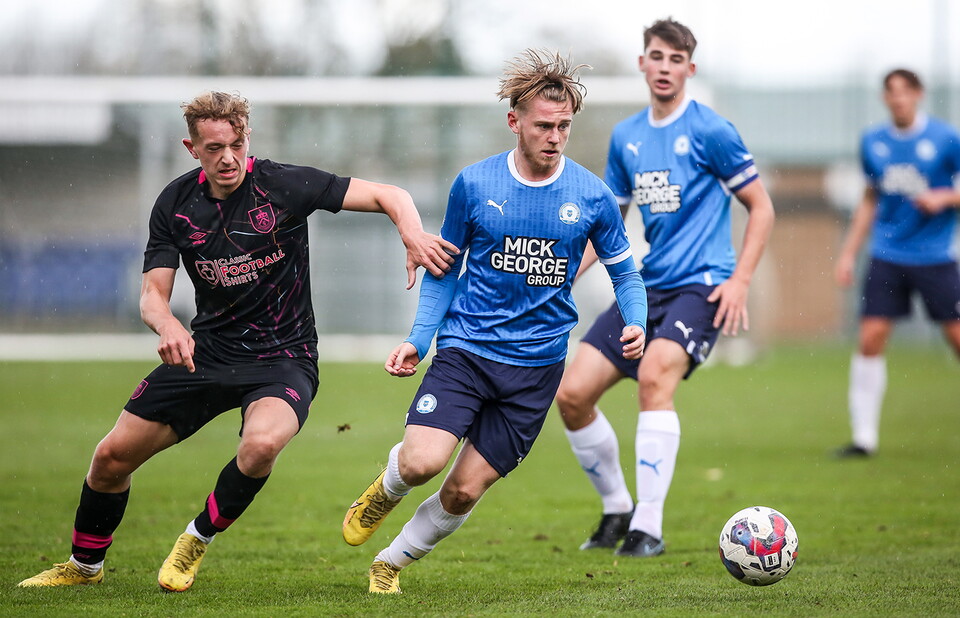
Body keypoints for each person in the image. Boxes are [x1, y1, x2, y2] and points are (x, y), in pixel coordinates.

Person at [17, 91, 457, 591]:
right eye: (213, 147)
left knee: (262, 444)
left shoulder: (284, 185)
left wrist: (413, 234)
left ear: (248, 136)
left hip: (283, 357)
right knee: (111, 458)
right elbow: (152, 298)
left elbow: (389, 194)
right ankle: (84, 566)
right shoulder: (176, 204)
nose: (228, 157)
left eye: (237, 143)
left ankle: (196, 538)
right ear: (192, 148)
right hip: (206, 354)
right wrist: (168, 326)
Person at [340, 49, 648, 594]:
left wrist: (636, 321)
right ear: (515, 122)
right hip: (467, 351)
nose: (555, 137)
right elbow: (441, 269)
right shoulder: (474, 185)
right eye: (544, 126)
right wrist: (419, 339)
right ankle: (386, 490)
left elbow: (627, 275)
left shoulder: (593, 196)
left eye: (564, 127)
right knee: (421, 464)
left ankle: (390, 562)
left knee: (462, 492)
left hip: (537, 369)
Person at [554, 18, 775, 557]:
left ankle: (647, 528)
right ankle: (617, 509)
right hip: (646, 287)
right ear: (643, 63)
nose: (666, 67)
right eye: (657, 56)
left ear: (689, 69)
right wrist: (560, 279)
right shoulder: (627, 137)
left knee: (655, 376)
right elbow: (605, 227)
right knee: (572, 394)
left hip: (701, 288)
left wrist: (740, 279)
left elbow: (761, 207)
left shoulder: (711, 130)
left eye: (677, 60)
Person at [834, 69, 960, 457]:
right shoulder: (873, 141)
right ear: (884, 98)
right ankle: (863, 438)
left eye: (905, 91)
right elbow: (870, 199)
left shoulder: (944, 139)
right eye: (891, 92)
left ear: (918, 94)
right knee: (870, 338)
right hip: (887, 254)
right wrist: (848, 253)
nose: (898, 98)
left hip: (936, 256)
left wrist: (944, 198)